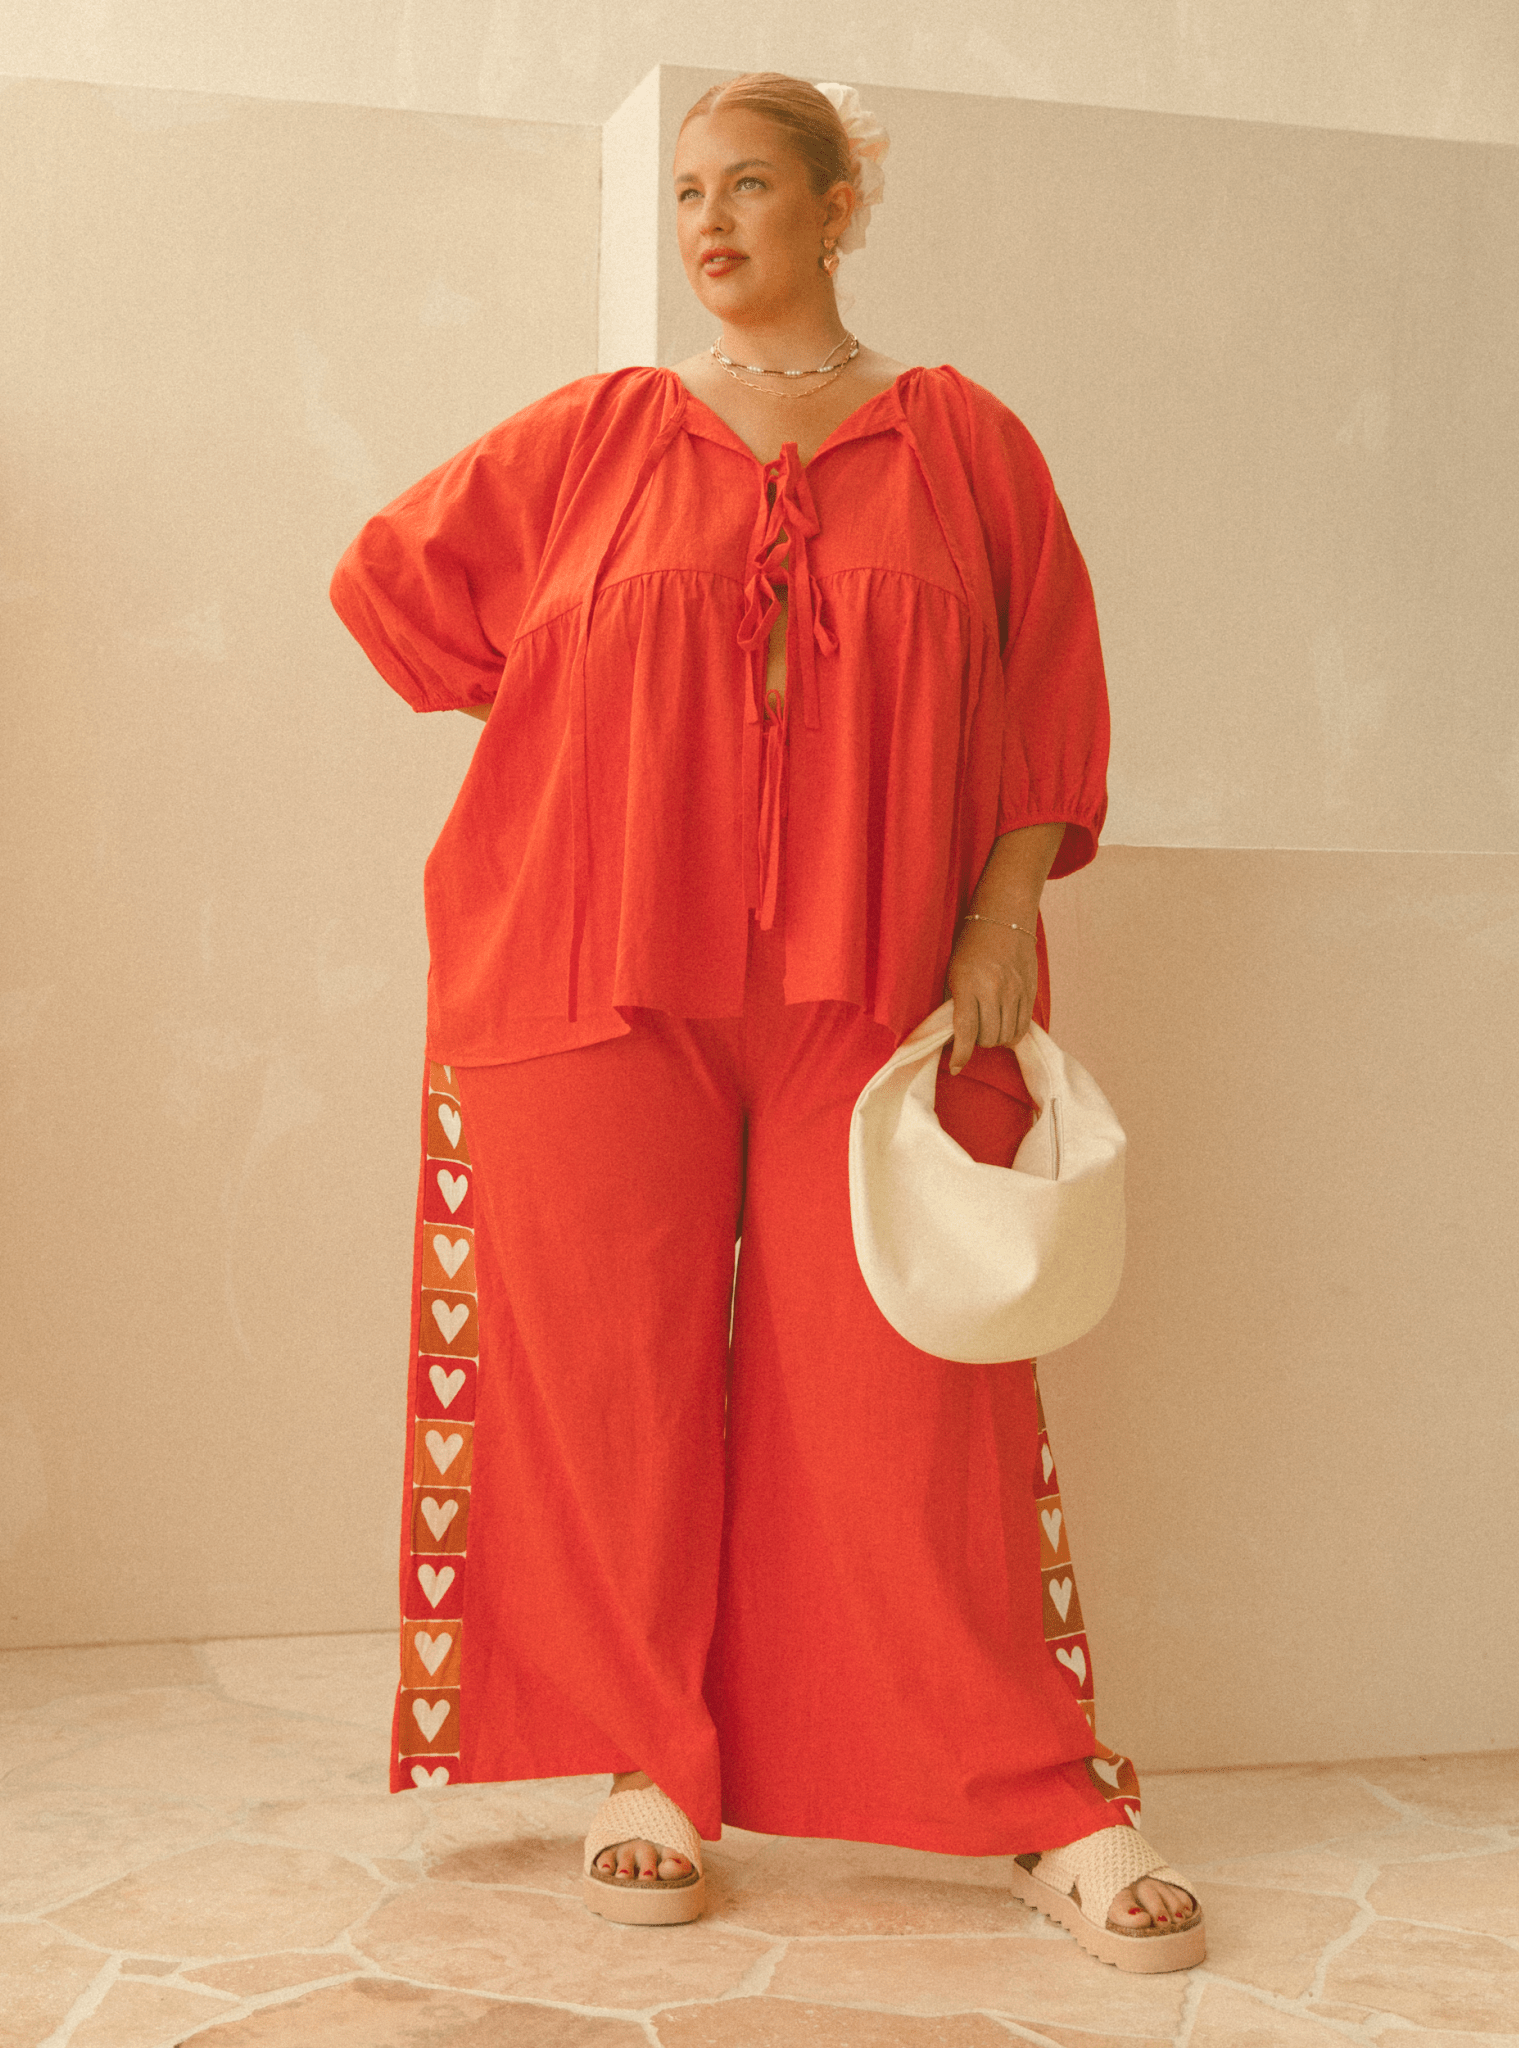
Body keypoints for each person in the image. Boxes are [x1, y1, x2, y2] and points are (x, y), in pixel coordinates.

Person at [331, 71, 1206, 1974]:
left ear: (835, 204)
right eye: (684, 194)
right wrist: (599, 734)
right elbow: (389, 587)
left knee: (904, 1392)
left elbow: (1047, 696)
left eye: (746, 186)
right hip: (592, 969)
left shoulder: (962, 440)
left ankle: (1034, 1794)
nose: (709, 225)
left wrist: (995, 914)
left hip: (881, 989)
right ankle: (652, 1763)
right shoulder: (597, 435)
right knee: (611, 1377)